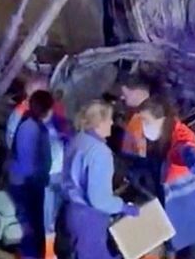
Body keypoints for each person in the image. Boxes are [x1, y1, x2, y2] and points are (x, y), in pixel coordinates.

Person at [128, 98, 195, 259]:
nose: (143, 126)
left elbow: (189, 153)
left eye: (146, 121)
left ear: (161, 120)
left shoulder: (181, 138)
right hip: (179, 211)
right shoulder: (165, 138)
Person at [57, 100, 139, 259]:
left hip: (70, 211)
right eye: (109, 118)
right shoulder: (101, 153)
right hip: (89, 218)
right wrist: (123, 207)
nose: (112, 122)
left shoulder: (78, 139)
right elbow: (98, 200)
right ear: (98, 123)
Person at [8, 90, 55, 259]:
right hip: (26, 185)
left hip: (26, 183)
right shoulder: (32, 129)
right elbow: (28, 162)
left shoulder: (32, 125)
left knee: (30, 225)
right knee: (29, 226)